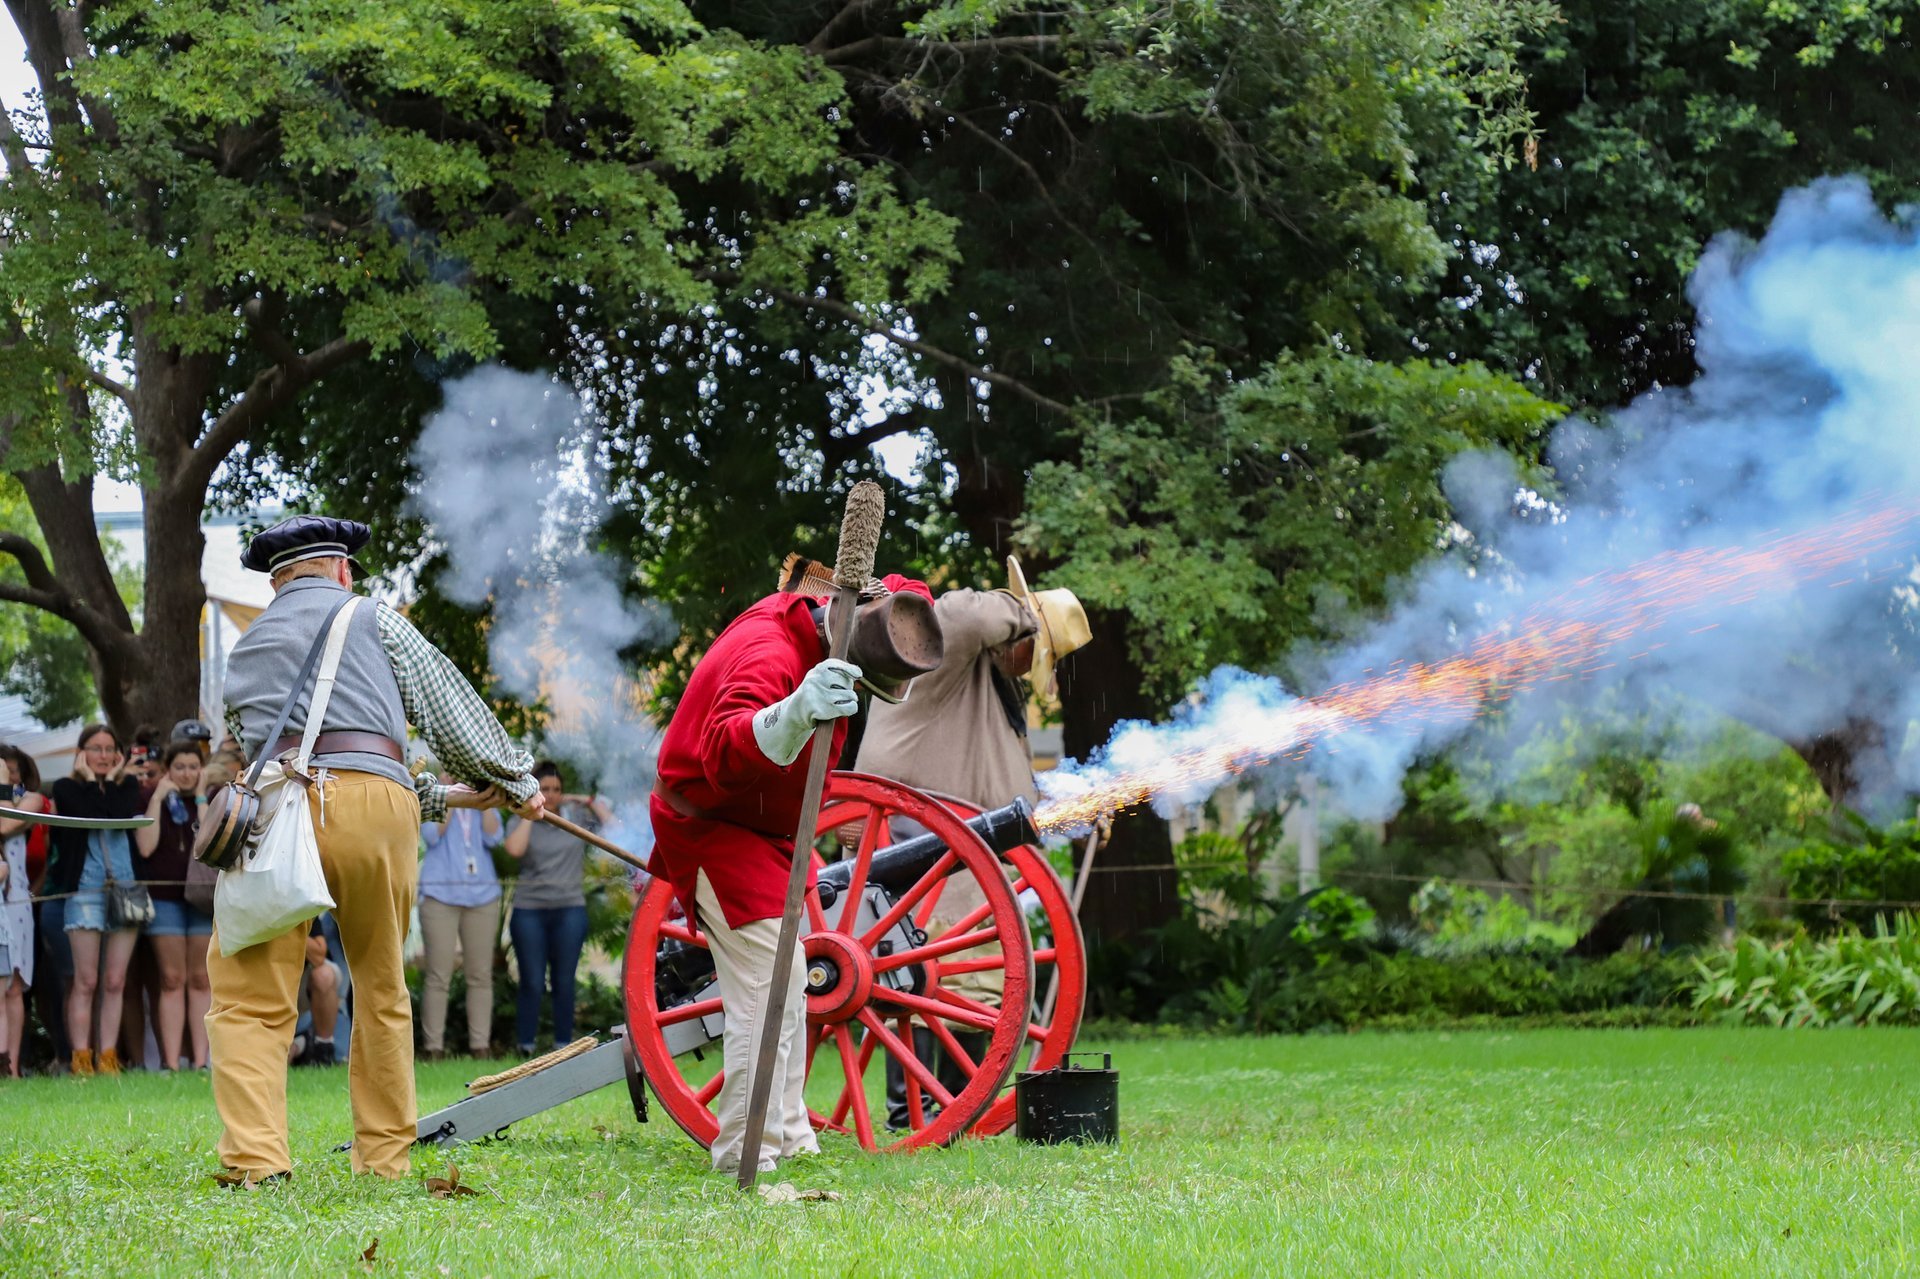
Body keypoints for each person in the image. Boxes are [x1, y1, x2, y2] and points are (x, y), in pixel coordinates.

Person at [213, 514, 542, 1186]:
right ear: (342, 569)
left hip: (275, 811)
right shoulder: (372, 617)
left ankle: (256, 1160)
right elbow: (447, 709)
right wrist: (514, 780)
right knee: (382, 986)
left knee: (251, 995)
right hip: (372, 810)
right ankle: (384, 1161)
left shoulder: (243, 649)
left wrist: (445, 796)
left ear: (277, 581)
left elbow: (266, 756)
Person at [648, 564, 942, 1176]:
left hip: (768, 832)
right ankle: (744, 1156)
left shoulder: (821, 636)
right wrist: (797, 709)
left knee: (788, 988)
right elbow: (724, 753)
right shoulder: (768, 651)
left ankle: (785, 1131)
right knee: (764, 991)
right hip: (719, 830)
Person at [855, 555, 1091, 1128]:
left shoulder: (995, 693)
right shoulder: (946, 655)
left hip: (965, 859)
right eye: (1034, 649)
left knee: (970, 984)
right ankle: (914, 1111)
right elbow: (958, 610)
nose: (1028, 664)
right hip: (915, 844)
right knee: (917, 981)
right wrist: (1023, 613)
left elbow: (1003, 785)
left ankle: (958, 1107)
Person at [47, 724, 144, 1077]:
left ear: (118, 755)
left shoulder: (128, 786)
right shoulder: (65, 787)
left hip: (125, 889)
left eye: (109, 749)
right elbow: (88, 816)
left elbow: (115, 816)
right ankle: (81, 1058)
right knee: (85, 980)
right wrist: (89, 779)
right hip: (84, 889)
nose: (103, 756)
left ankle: (108, 1057)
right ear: (81, 753)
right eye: (95, 748)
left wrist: (113, 778)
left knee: (116, 980)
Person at [502, 764, 607, 1056]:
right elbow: (514, 850)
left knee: (564, 980)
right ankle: (526, 1045)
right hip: (529, 911)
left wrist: (579, 800)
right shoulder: (521, 819)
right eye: (544, 789)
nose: (550, 795)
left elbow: (614, 827)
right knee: (532, 981)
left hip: (569, 910)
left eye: (556, 790)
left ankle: (563, 1044)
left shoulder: (575, 819)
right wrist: (530, 811)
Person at [134, 741, 213, 1071]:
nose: (186, 773)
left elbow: (209, 846)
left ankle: (201, 1061)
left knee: (200, 979)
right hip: (164, 900)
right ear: (168, 770)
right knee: (171, 978)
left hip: (201, 899)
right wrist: (156, 797)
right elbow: (146, 847)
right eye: (179, 767)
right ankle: (170, 1062)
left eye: (193, 767)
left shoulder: (211, 798)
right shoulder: (150, 798)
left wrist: (201, 798)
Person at [419, 772, 503, 1058]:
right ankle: (434, 1049)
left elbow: (495, 837)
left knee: (480, 975)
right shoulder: (434, 794)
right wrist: (449, 794)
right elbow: (431, 835)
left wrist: (483, 795)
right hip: (439, 894)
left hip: (482, 895)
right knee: (438, 975)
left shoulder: (479, 798)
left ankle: (480, 1046)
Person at [0, 744, 47, 1077]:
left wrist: (3, 787)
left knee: (14, 985)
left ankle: (12, 1067)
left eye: (12, 769)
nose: (10, 774)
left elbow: (4, 826)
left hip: (16, 898)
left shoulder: (29, 799)